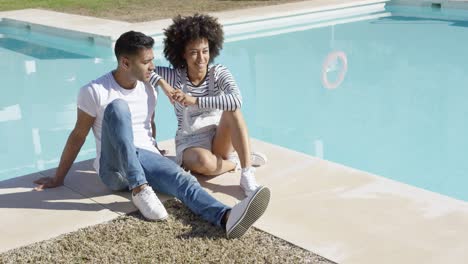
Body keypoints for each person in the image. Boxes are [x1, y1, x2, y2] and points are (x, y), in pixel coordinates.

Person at [33, 30, 270, 239]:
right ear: (125, 63)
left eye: (152, 60)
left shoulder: (148, 87)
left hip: (145, 158)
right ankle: (139, 189)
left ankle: (226, 217)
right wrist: (58, 178)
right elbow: (78, 135)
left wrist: (155, 150)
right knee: (118, 108)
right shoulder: (94, 91)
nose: (153, 67)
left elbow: (148, 125)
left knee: (183, 179)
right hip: (115, 170)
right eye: (147, 62)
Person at [151, 14, 267, 197]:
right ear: (183, 53)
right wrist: (163, 84)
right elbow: (142, 70)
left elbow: (237, 100)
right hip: (190, 141)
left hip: (218, 135)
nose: (201, 58)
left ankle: (246, 174)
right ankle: (236, 161)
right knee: (203, 164)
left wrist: (194, 100)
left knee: (232, 109)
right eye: (194, 52)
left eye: (204, 51)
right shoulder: (174, 77)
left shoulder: (218, 72)